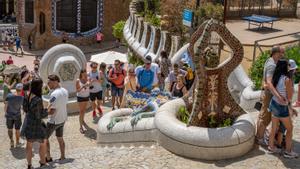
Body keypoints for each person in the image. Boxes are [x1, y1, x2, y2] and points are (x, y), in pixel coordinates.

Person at [268, 59, 298, 158]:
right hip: (281, 107)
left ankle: (271, 147)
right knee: (290, 129)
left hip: (273, 103)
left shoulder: (276, 77)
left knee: (273, 127)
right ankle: (288, 152)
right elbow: (289, 98)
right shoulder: (287, 80)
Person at [256, 46, 285, 146]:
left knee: (263, 115)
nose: (283, 55)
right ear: (276, 53)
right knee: (265, 117)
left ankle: (261, 135)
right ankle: (259, 138)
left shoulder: (269, 60)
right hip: (269, 94)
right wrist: (278, 95)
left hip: (266, 93)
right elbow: (269, 82)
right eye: (282, 52)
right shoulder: (272, 65)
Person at [23, 79, 47, 168]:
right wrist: (47, 111)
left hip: (28, 123)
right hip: (37, 125)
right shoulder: (38, 99)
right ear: (39, 87)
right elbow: (39, 115)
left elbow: (25, 109)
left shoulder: (27, 96)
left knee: (29, 145)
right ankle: (42, 162)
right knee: (43, 143)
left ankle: (29, 165)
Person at [46, 75, 69, 162]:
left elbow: (52, 111)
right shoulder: (65, 91)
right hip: (62, 119)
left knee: (44, 138)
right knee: (60, 138)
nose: (48, 84)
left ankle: (48, 157)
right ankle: (62, 156)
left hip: (54, 121)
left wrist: (42, 113)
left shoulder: (54, 94)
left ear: (55, 81)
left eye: (49, 82)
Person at [4, 83, 24, 148]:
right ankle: (17, 143)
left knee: (10, 129)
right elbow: (22, 107)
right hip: (17, 115)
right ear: (21, 90)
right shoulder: (22, 98)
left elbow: (6, 106)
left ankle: (11, 141)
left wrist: (6, 113)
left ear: (16, 89)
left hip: (9, 115)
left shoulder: (9, 96)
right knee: (17, 129)